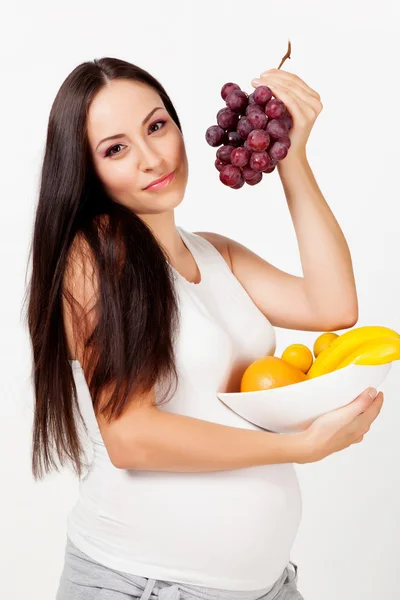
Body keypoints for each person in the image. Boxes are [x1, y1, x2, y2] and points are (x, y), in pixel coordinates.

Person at [25, 57, 384, 600]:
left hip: (266, 586)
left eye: (156, 126)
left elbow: (331, 306)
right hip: (146, 586)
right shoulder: (95, 256)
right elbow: (132, 437)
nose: (150, 158)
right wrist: (300, 448)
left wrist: (291, 160)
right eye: (115, 149)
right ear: (85, 170)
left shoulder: (213, 252)